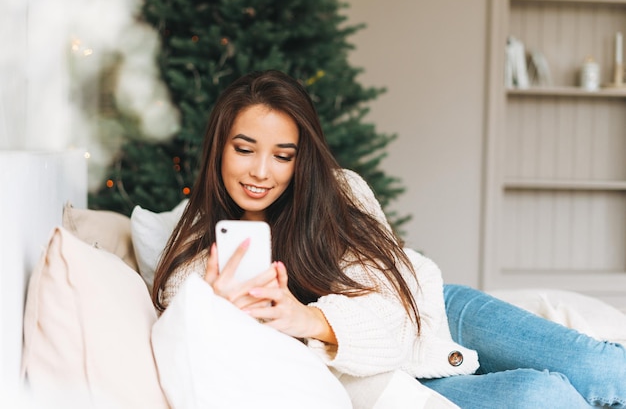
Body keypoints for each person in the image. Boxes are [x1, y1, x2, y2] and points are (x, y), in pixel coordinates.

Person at [151, 70, 626, 408]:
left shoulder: (341, 192)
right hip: (382, 379)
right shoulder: (194, 257)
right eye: (244, 149)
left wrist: (310, 318)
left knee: (605, 369)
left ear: (302, 159)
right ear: (220, 147)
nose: (260, 171)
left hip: (433, 309)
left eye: (282, 155)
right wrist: (213, 308)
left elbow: (390, 300)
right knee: (541, 395)